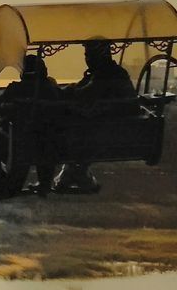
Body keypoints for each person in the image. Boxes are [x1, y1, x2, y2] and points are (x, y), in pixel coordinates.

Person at [55, 40, 138, 193]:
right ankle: (75, 174)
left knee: (67, 119)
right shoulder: (107, 72)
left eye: (88, 55)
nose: (86, 59)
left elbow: (85, 92)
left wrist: (60, 92)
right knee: (76, 117)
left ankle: (74, 173)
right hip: (114, 127)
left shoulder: (108, 74)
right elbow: (82, 89)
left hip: (111, 129)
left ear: (99, 55)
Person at [0, 54, 60, 194]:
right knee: (43, 142)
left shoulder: (16, 89)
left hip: (22, 141)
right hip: (48, 142)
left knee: (9, 135)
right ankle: (44, 183)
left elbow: (1, 108)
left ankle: (14, 183)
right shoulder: (51, 89)